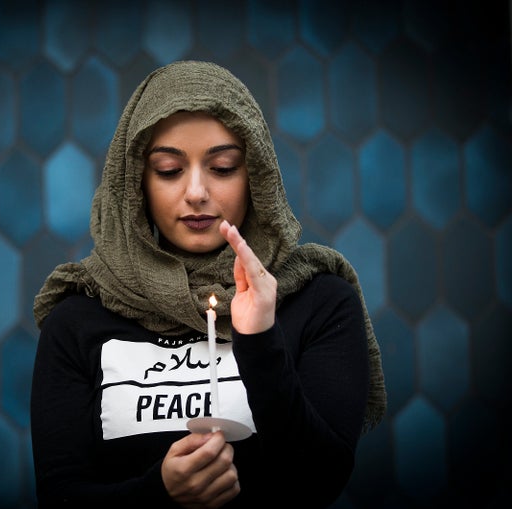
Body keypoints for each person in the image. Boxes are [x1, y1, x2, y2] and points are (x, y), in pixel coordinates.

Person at [30, 60, 386, 508]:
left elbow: (319, 480)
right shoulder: (78, 316)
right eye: (168, 169)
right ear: (136, 183)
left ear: (256, 175)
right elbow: (60, 496)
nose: (196, 191)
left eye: (221, 167)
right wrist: (160, 493)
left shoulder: (318, 299)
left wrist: (259, 340)